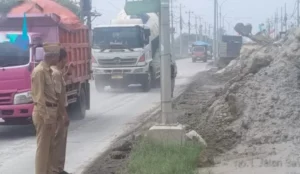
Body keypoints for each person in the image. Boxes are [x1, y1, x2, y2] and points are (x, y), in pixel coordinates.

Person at [31, 43, 60, 174]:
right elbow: (39, 97)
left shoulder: (48, 71)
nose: (58, 59)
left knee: (50, 149)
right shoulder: (39, 72)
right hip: (44, 114)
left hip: (51, 112)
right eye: (57, 56)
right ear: (52, 56)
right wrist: (46, 117)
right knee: (43, 149)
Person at [51, 48, 71, 174]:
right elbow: (58, 97)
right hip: (59, 113)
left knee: (60, 141)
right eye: (65, 59)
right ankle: (57, 169)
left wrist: (67, 72)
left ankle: (58, 168)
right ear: (62, 59)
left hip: (57, 112)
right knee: (59, 143)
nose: (66, 61)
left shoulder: (55, 72)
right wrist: (64, 114)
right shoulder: (56, 74)